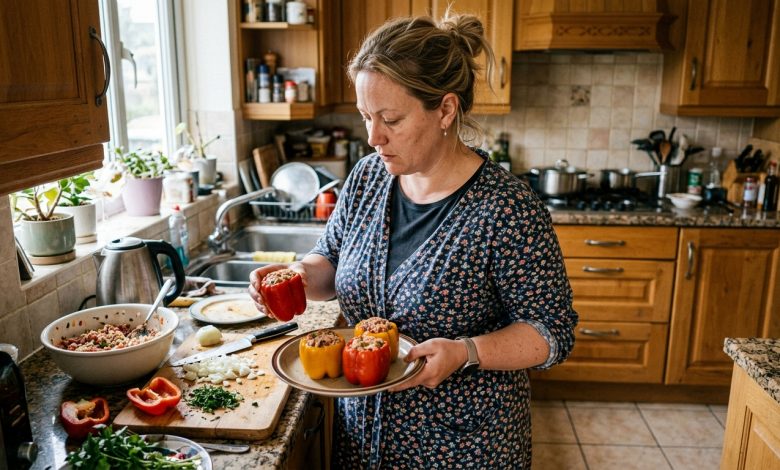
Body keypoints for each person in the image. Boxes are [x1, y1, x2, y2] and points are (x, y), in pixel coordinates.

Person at [249, 12, 578, 469]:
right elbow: (331, 258)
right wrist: (298, 276)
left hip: (463, 447)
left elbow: (551, 332)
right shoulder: (368, 178)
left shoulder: (507, 208)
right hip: (364, 437)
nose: (373, 137)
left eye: (391, 119)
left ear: (445, 110)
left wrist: (466, 353)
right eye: (366, 116)